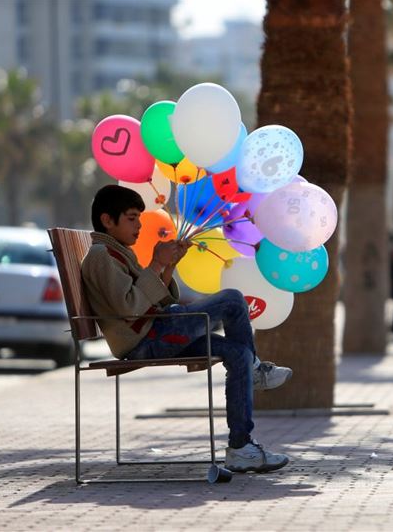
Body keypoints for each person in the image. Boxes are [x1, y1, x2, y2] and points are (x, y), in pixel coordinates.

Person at [81, 184, 292, 474]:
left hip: (157, 332)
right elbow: (130, 307)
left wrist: (168, 267)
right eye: (132, 218)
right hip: (147, 340)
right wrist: (156, 263)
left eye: (139, 218)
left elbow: (158, 299)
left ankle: (241, 448)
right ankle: (256, 373)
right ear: (107, 220)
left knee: (238, 352)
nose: (140, 226)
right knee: (231, 299)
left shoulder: (116, 252)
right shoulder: (101, 256)